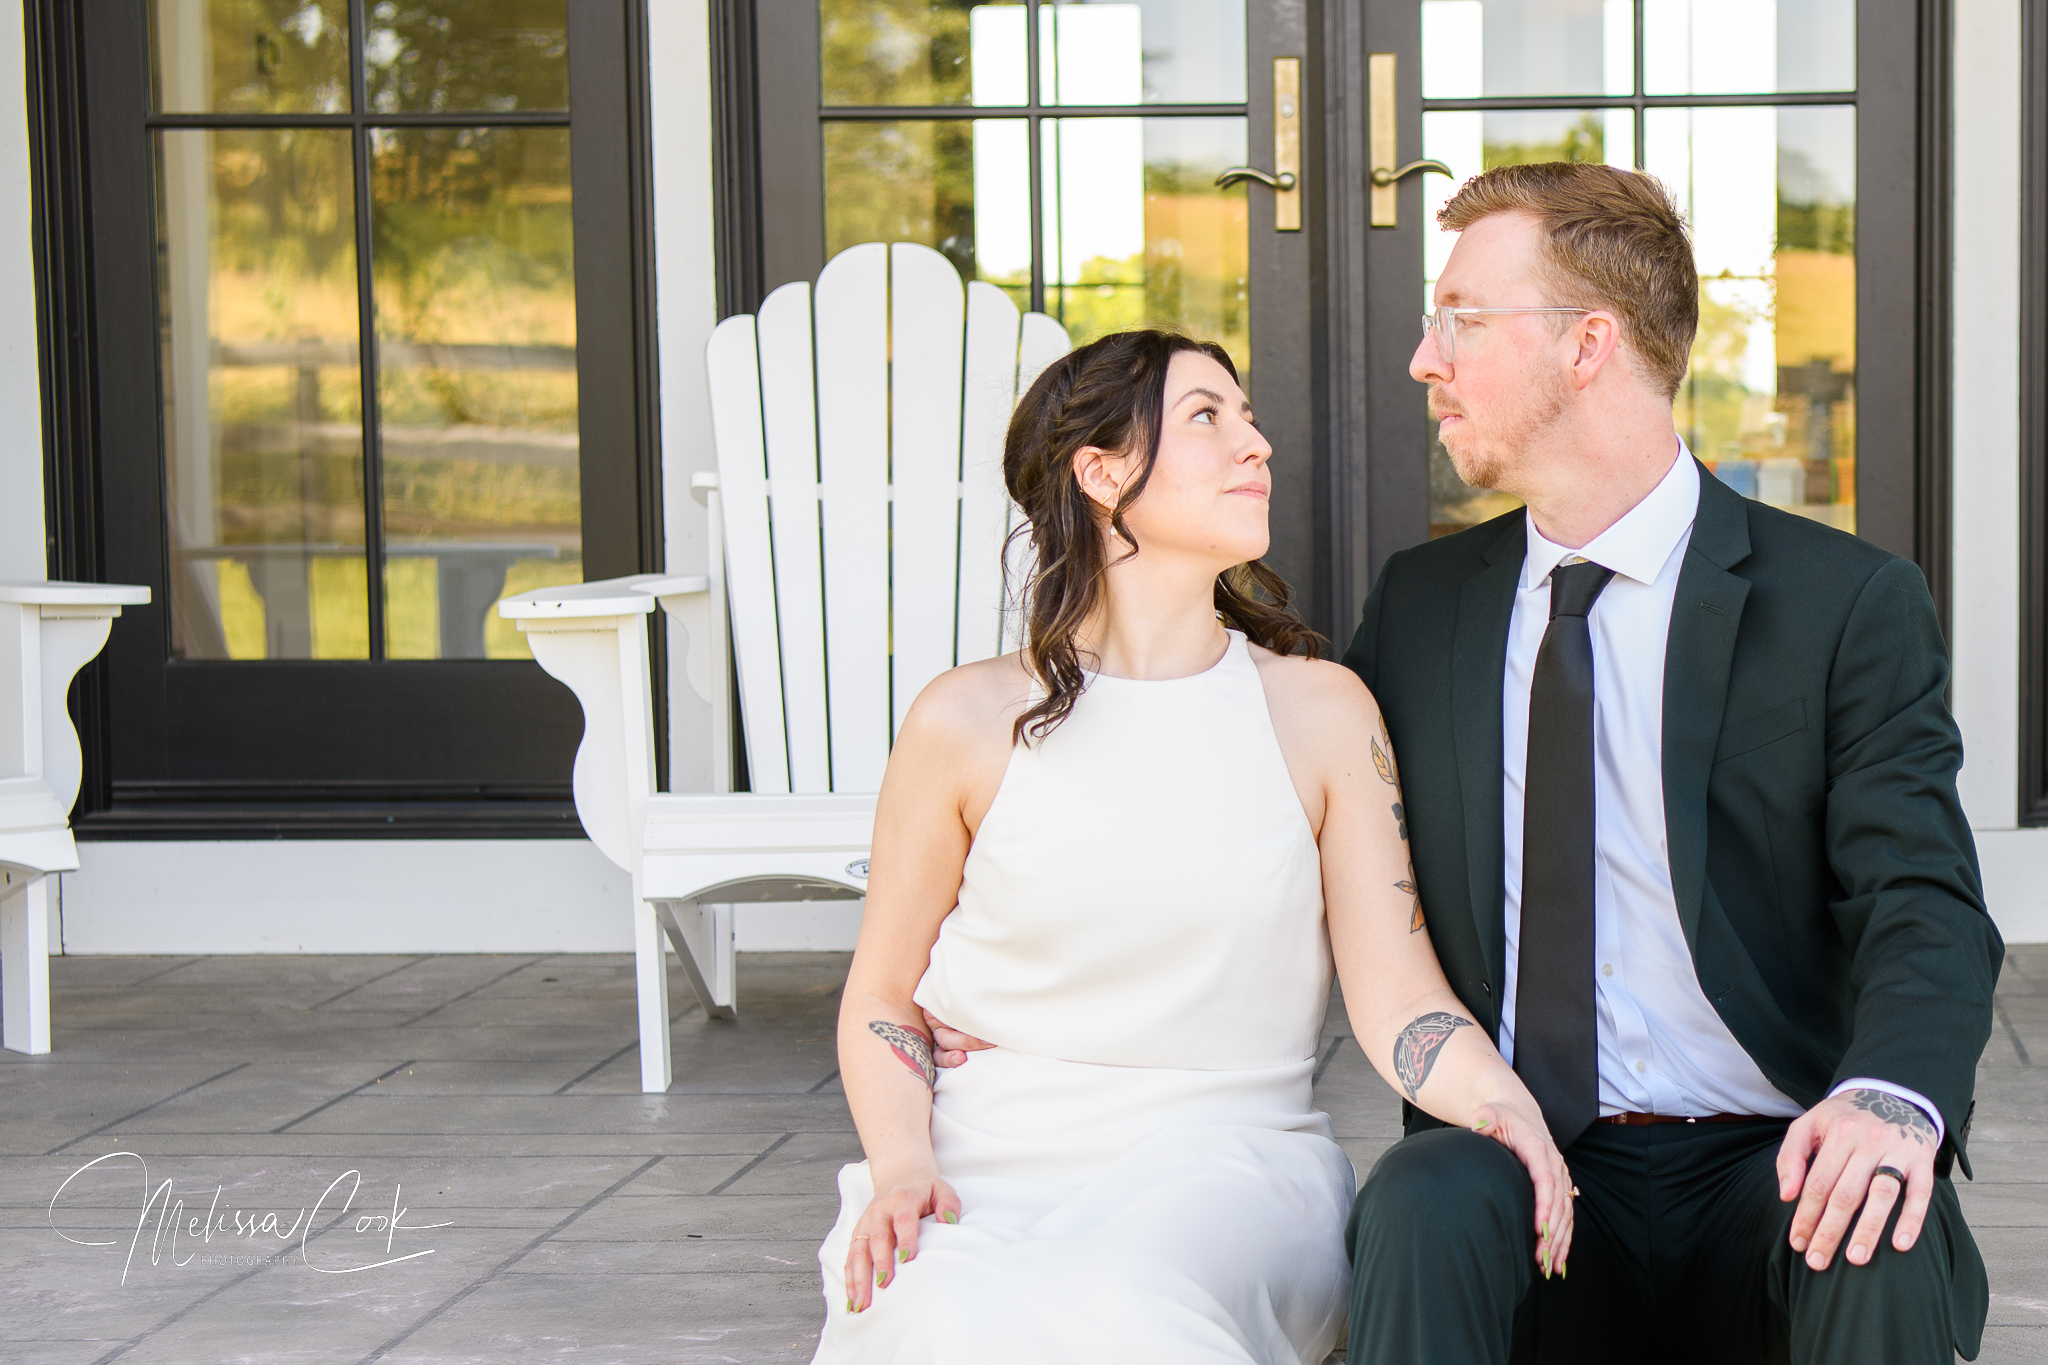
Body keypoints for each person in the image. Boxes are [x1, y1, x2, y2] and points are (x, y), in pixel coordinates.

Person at [1334, 162, 2002, 1364]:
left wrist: (1889, 1100)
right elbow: (1300, 846)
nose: (1426, 360)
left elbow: (1921, 898)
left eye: (1461, 321)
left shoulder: (1841, 603)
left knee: (1871, 1216)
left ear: (1586, 344)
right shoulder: (1418, 609)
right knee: (1417, 1202)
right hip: (1520, 1164)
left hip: (1768, 1159)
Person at [810, 329, 1575, 1364]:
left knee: (1123, 1301)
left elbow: (1400, 999)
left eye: (1247, 417)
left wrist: (1498, 1103)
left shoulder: (1319, 713)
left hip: (1233, 1165)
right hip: (983, 1158)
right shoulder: (963, 720)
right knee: (944, 1309)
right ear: (1101, 474)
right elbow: (883, 996)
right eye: (1207, 417)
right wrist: (904, 1164)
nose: (1256, 444)